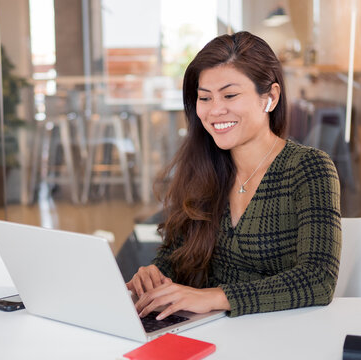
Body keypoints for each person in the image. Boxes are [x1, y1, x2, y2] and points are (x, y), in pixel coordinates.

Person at [126, 31, 341, 320]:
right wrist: (156, 275)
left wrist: (214, 296)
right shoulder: (202, 168)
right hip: (209, 334)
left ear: (271, 97)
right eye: (205, 98)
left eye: (230, 95)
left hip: (282, 335)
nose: (215, 110)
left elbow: (319, 279)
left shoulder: (309, 168)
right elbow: (178, 254)